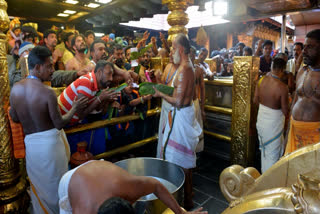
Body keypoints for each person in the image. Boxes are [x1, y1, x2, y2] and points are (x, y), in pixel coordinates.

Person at [9, 46, 88, 214]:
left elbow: (15, 118)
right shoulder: (47, 92)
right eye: (49, 66)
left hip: (32, 147)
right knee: (57, 187)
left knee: (41, 189)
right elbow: (59, 123)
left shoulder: (15, 90)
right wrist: (74, 108)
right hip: (51, 147)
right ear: (37, 67)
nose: (52, 70)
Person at [153, 34, 202, 209]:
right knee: (185, 162)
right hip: (183, 115)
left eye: (173, 48)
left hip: (181, 115)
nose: (171, 51)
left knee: (180, 163)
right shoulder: (188, 66)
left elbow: (179, 101)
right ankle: (187, 199)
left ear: (180, 49)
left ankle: (183, 202)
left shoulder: (183, 70)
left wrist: (160, 94)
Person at [58, 160, 207, 214]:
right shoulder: (84, 209)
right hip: (72, 181)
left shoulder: (129, 187)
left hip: (100, 173)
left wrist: (180, 213)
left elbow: (156, 185)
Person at [284, 29, 320, 154]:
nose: (304, 51)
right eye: (304, 47)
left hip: (315, 140)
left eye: (310, 47)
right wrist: (287, 133)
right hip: (295, 133)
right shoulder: (302, 71)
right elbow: (294, 102)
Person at [254, 58, 289, 173]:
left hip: (261, 122)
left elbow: (255, 100)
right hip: (273, 126)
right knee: (272, 156)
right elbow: (285, 111)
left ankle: (264, 176)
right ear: (282, 70)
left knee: (264, 151)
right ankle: (268, 184)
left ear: (272, 67)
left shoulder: (261, 80)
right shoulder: (282, 87)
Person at [156, 48, 179, 158]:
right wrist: (157, 78)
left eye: (172, 52)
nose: (169, 54)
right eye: (169, 51)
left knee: (173, 139)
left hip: (176, 110)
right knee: (163, 135)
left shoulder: (183, 70)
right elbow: (163, 87)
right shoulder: (169, 66)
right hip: (165, 106)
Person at [190, 46, 205, 153]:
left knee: (196, 130)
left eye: (191, 53)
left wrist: (203, 109)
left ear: (194, 55)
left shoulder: (198, 70)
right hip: (183, 105)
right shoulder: (180, 69)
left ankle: (195, 153)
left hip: (194, 104)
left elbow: (203, 89)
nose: (189, 55)